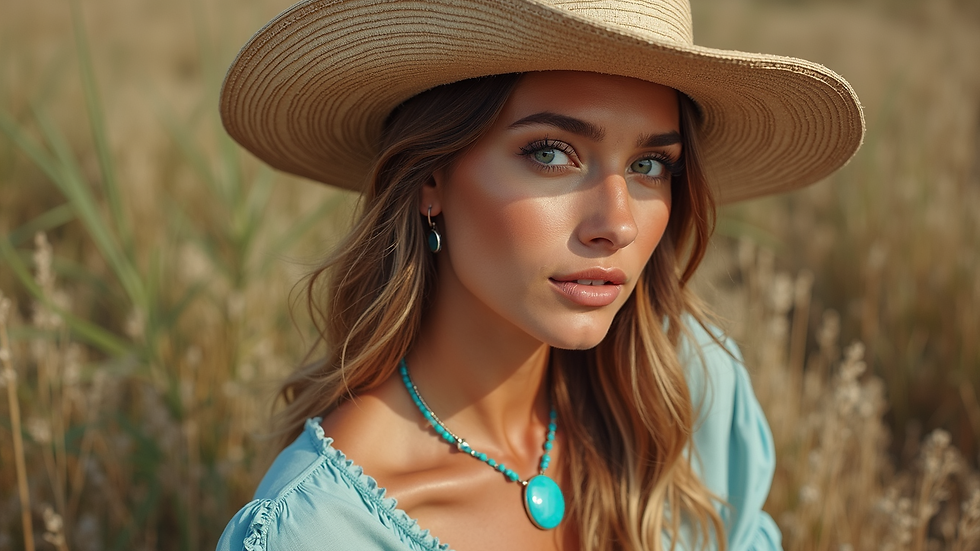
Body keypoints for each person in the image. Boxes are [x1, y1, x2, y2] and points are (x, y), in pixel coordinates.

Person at [215, 1, 863, 550]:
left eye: (649, 165)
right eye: (552, 153)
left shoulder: (686, 393)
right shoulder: (322, 530)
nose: (617, 224)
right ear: (430, 178)